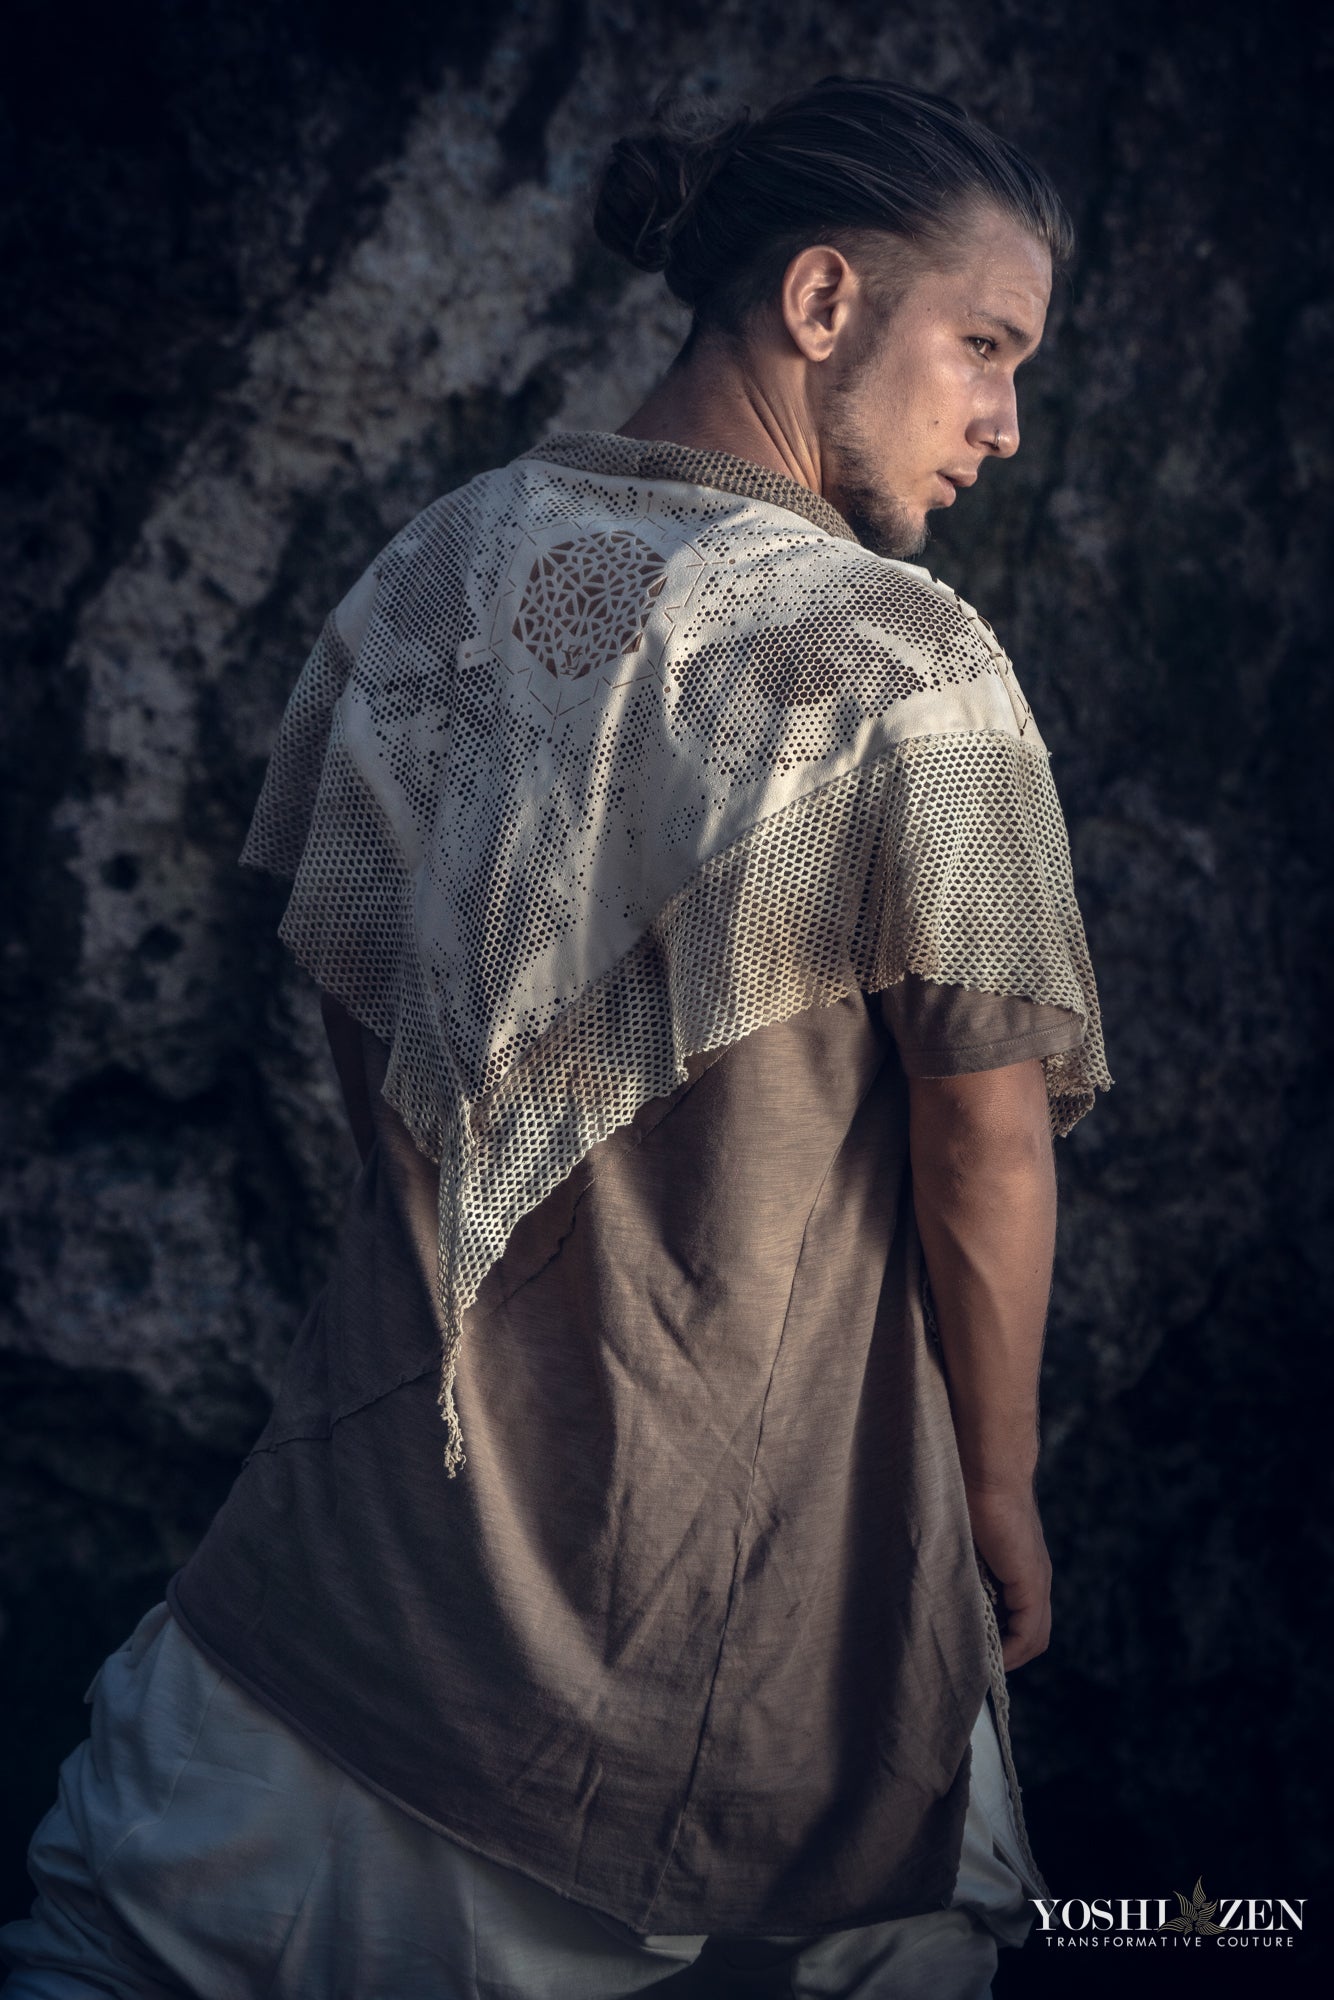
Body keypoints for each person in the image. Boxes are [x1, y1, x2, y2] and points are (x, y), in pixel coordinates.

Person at [1, 75, 1110, 2000]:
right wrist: (999, 1491)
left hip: (318, 1621)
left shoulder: (425, 577)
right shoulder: (902, 667)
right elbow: (987, 1149)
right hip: (700, 1671)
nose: (1007, 423)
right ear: (825, 300)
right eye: (985, 348)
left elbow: (369, 1073)